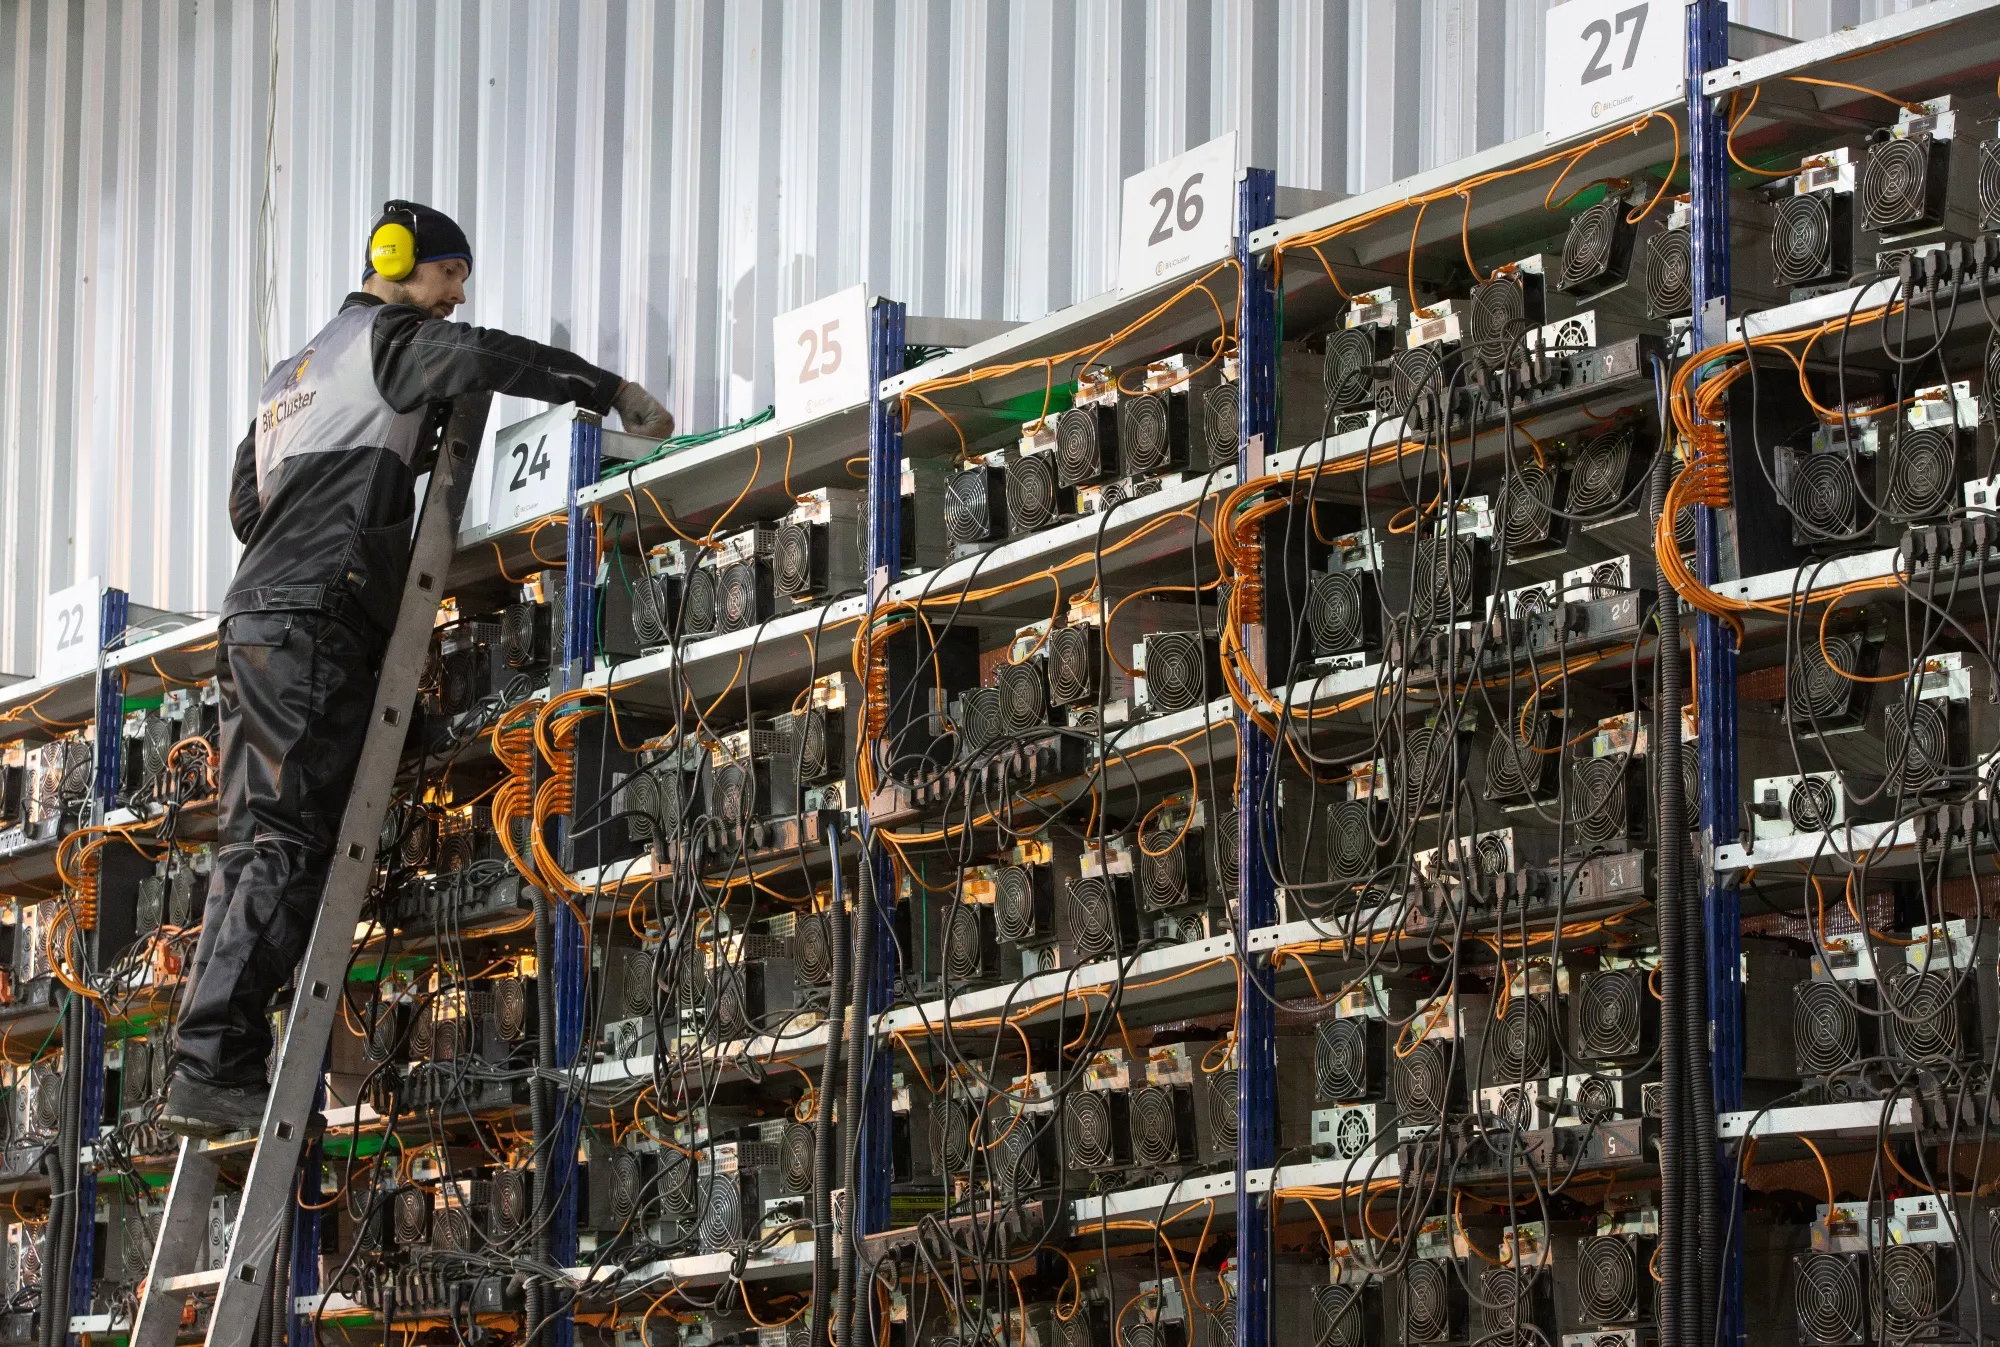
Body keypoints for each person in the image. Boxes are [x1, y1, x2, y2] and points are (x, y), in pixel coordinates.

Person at [163, 201, 673, 1138]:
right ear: (404, 265)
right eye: (450, 276)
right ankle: (211, 1058)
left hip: (249, 621)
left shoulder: (293, 373)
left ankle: (210, 1058)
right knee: (289, 849)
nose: (456, 297)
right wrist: (609, 390)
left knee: (248, 846)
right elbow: (489, 358)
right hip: (315, 619)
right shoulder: (391, 343)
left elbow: (250, 506)